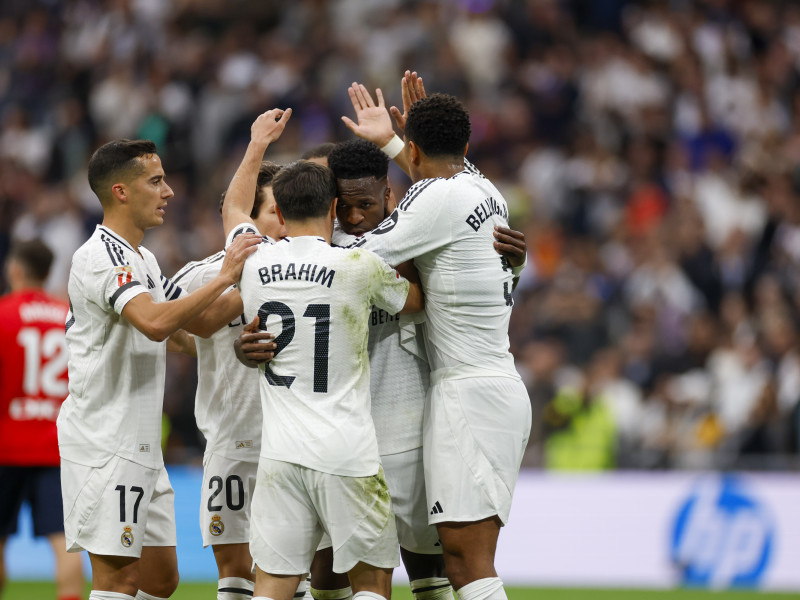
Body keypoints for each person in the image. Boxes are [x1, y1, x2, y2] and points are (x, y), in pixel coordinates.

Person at [339, 78, 532, 600]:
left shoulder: (433, 198)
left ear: (418, 149)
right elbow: (439, 179)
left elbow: (359, 256)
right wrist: (393, 143)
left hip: (468, 394)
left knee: (469, 566)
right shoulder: (485, 189)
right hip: (493, 386)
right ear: (466, 148)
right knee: (458, 561)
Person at [220, 108, 423, 600]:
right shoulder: (359, 264)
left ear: (280, 216)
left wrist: (256, 145)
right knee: (371, 582)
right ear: (334, 208)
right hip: (347, 451)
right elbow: (417, 302)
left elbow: (233, 208)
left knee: (273, 586)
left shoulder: (252, 257)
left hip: (281, 455)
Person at [57, 138, 261, 600]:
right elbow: (153, 322)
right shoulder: (101, 257)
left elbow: (188, 331)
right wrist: (227, 276)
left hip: (143, 444)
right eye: (156, 181)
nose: (169, 191)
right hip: (104, 442)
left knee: (161, 579)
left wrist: (238, 341)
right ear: (121, 192)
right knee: (118, 580)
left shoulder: (144, 259)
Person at [171, 162, 285, 600]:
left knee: (295, 572)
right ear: (247, 218)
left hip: (292, 443)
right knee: (236, 574)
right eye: (276, 210)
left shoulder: (308, 265)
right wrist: (210, 344)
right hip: (234, 443)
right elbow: (167, 330)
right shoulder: (203, 275)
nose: (286, 220)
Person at [0, 239, 84, 600]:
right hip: (56, 446)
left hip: (5, 445)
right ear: (48, 272)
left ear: (16, 269)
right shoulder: (67, 316)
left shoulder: (2, 315)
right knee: (64, 542)